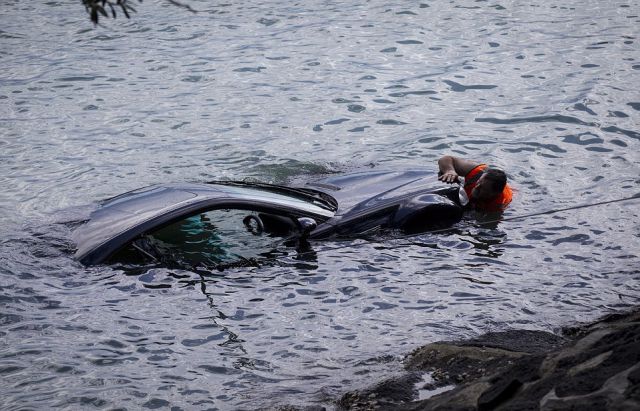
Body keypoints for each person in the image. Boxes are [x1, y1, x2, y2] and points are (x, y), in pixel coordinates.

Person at [437, 155, 512, 211]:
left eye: (483, 188)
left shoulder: (497, 205)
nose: (476, 187)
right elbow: (445, 159)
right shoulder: (478, 172)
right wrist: (450, 171)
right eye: (479, 182)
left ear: (494, 194)